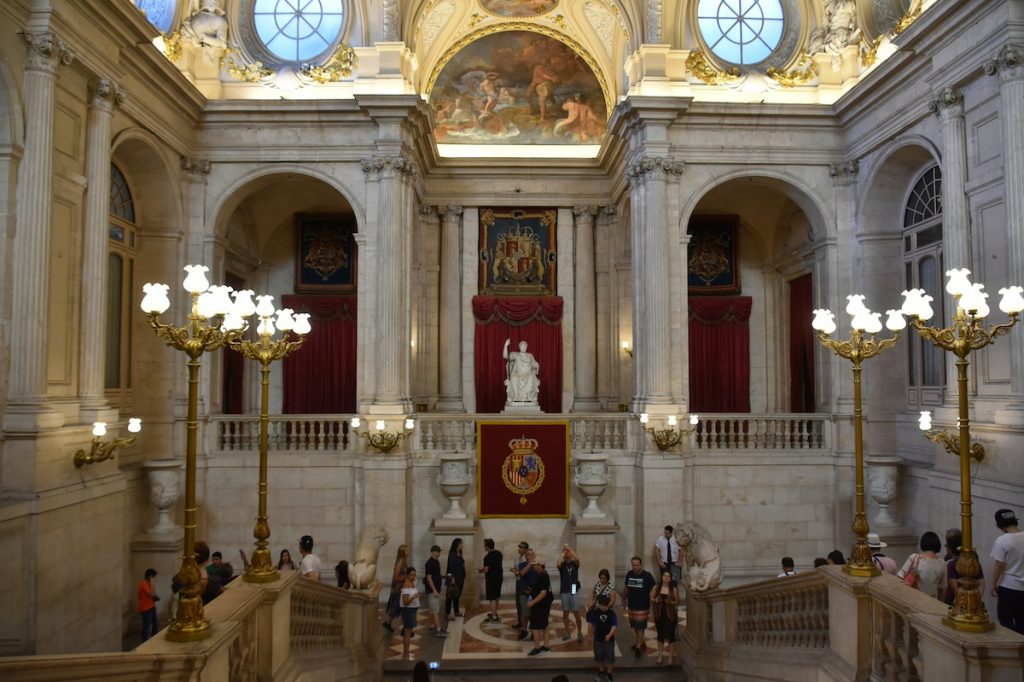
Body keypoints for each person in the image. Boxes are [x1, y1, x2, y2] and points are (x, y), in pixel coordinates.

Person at [990, 509, 1024, 634]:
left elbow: (999, 564)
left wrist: (993, 583)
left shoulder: (1002, 541)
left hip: (1008, 587)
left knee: (1006, 621)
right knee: (1022, 622)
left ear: (1000, 525)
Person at [622, 555, 656, 658]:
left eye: (637, 565)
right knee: (635, 626)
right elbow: (626, 588)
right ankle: (640, 642)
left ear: (640, 565)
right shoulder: (629, 574)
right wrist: (624, 599)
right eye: (633, 565)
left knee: (640, 626)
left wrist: (653, 600)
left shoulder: (647, 576)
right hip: (632, 605)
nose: (635, 567)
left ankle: (638, 647)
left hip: (643, 606)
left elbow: (654, 588)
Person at [897, 531, 947, 601]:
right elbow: (942, 590)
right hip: (933, 603)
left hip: (914, 601)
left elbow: (899, 577)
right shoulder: (942, 564)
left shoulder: (914, 557)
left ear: (922, 543)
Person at [945, 530, 984, 605]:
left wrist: (965, 601)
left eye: (947, 544)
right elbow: (981, 582)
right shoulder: (973, 559)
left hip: (957, 602)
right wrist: (976, 599)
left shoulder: (952, 564)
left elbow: (953, 585)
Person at [651, 569, 680, 666]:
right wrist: (656, 600)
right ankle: (660, 656)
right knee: (660, 634)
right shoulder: (656, 587)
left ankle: (671, 657)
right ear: (662, 577)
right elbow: (652, 598)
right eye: (664, 576)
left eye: (668, 576)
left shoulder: (673, 589)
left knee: (671, 635)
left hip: (670, 615)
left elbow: (677, 602)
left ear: (670, 578)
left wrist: (670, 602)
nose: (666, 578)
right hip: (659, 614)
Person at [526, 556, 553, 656]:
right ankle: (546, 647)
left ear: (539, 565)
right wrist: (532, 591)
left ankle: (537, 649)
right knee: (545, 625)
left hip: (540, 605)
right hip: (544, 604)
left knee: (535, 626)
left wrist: (531, 603)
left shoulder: (543, 576)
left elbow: (543, 593)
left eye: (535, 565)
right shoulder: (542, 575)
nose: (533, 567)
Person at [587, 594, 617, 681]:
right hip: (597, 639)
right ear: (599, 604)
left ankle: (609, 674)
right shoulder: (595, 612)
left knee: (610, 657)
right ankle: (602, 672)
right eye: (601, 605)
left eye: (605, 605)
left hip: (609, 640)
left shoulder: (611, 613)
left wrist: (609, 635)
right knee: (599, 657)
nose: (603, 607)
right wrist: (589, 636)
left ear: (608, 605)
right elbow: (590, 624)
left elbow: (614, 625)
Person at [557, 544, 583, 642]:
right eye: (565, 551)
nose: (567, 552)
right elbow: (558, 563)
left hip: (573, 588)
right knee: (565, 612)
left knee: (576, 611)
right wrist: (563, 553)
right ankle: (567, 632)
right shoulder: (562, 565)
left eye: (568, 551)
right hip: (564, 590)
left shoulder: (574, 564)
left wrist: (569, 548)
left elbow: (577, 559)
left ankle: (579, 633)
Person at [503, 339, 540, 405]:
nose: (523, 348)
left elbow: (534, 364)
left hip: (528, 374)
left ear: (526, 347)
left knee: (531, 376)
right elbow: (505, 356)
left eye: (525, 346)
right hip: (517, 374)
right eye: (522, 346)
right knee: (514, 377)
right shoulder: (515, 354)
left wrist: (536, 365)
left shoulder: (530, 356)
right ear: (519, 347)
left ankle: (528, 395)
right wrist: (506, 345)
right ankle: (516, 396)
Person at [384, 544, 410, 632]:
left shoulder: (404, 561)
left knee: (400, 608)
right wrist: (405, 577)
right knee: (400, 607)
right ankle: (405, 628)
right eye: (406, 550)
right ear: (402, 553)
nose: (408, 552)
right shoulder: (400, 562)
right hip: (398, 588)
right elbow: (396, 577)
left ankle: (388, 623)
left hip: (402, 588)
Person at [478, 538, 503, 622]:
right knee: (496, 596)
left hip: (491, 579)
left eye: (484, 545)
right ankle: (495, 612)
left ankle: (494, 616)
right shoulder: (499, 554)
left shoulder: (487, 557)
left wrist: (479, 570)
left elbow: (486, 570)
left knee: (492, 597)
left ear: (487, 547)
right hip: (499, 578)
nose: (484, 547)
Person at [424, 545, 446, 636]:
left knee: (434, 608)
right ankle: (438, 629)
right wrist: (434, 590)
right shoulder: (429, 563)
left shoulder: (436, 561)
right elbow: (429, 578)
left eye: (439, 552)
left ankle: (432, 625)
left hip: (437, 589)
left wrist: (443, 577)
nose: (439, 553)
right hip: (432, 590)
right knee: (435, 609)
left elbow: (436, 574)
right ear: (433, 552)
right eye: (438, 552)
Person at [511, 542, 531, 640]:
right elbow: (517, 571)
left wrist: (516, 572)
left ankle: (527, 626)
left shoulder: (527, 560)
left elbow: (521, 572)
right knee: (519, 603)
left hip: (573, 587)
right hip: (519, 582)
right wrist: (516, 571)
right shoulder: (518, 559)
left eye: (522, 547)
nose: (519, 549)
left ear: (526, 549)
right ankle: (521, 623)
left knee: (525, 605)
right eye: (519, 547)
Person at [400, 567, 420, 661]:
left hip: (412, 610)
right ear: (407, 575)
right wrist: (414, 596)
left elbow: (416, 580)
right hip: (408, 611)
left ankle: (407, 652)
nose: (414, 576)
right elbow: (405, 602)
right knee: (407, 632)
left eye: (414, 574)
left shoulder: (412, 583)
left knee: (409, 631)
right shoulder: (406, 585)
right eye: (411, 574)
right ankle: (406, 653)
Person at [445, 538, 466, 620]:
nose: (462, 545)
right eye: (461, 543)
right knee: (449, 597)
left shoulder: (460, 553)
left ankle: (457, 612)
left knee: (457, 596)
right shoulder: (452, 554)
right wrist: (452, 578)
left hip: (460, 578)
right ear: (457, 544)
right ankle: (447, 614)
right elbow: (450, 568)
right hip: (453, 579)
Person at [138, 568, 159, 642]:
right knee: (146, 627)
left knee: (155, 625)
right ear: (150, 576)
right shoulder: (143, 584)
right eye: (153, 577)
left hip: (151, 606)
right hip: (145, 609)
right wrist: (152, 584)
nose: (154, 579)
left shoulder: (148, 583)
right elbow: (152, 594)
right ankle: (145, 642)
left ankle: (154, 640)